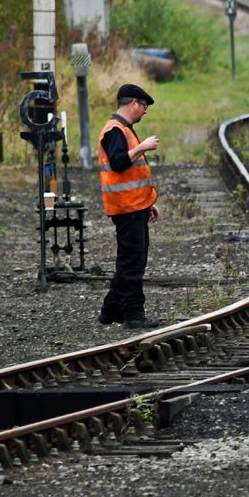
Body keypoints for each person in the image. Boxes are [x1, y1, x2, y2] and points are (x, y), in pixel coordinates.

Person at [97, 83, 161, 329]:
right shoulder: (115, 130)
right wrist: (143, 147)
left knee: (132, 260)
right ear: (133, 103)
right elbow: (118, 163)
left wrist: (148, 203)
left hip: (135, 206)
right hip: (126, 208)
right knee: (132, 264)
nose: (145, 111)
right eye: (143, 106)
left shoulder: (124, 129)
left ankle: (110, 311)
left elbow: (133, 173)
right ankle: (134, 316)